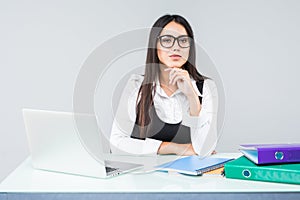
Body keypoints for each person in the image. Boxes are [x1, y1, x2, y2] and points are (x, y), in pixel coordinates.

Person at [110, 14, 218, 157]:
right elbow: (116, 143)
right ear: (155, 46)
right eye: (167, 40)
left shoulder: (207, 87)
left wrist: (192, 96)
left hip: (189, 178)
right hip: (144, 175)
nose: (176, 48)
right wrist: (174, 148)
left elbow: (204, 150)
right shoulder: (137, 85)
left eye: (183, 41)